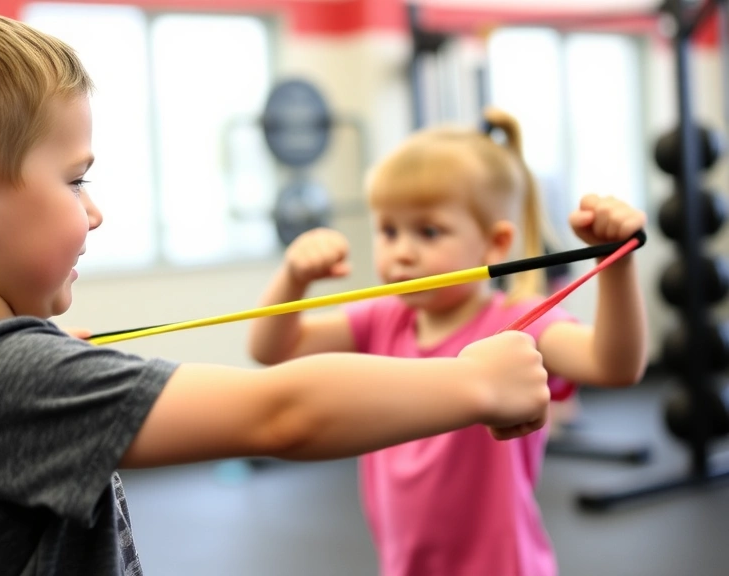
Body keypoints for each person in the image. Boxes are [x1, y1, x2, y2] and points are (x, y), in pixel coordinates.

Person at [0, 3, 553, 575]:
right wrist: (471, 384)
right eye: (75, 179)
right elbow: (282, 414)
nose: (94, 211)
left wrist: (44, 361)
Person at [247, 108, 648, 576]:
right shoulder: (381, 319)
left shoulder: (519, 324)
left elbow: (614, 366)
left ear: (495, 245)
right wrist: (293, 278)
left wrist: (617, 267)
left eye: (429, 231)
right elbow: (273, 348)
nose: (402, 251)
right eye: (389, 230)